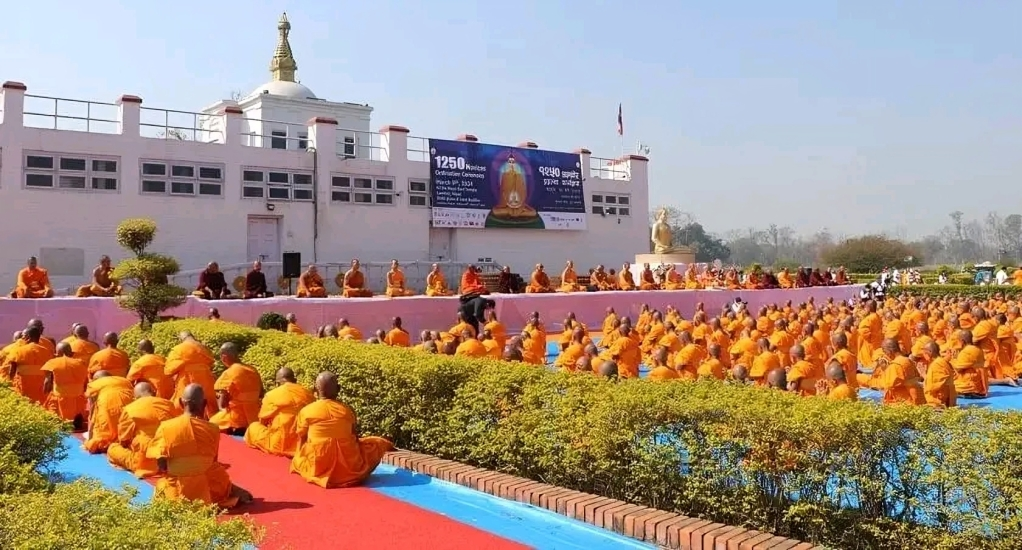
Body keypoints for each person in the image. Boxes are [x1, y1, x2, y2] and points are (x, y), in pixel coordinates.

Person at [147, 384, 252, 508]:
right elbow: (212, 461)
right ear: (204, 404)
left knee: (162, 485)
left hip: (178, 492)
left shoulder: (166, 427)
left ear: (181, 403)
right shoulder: (213, 429)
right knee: (216, 472)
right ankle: (230, 491)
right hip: (208, 491)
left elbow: (161, 464)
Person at [291, 371, 394, 488]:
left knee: (303, 456)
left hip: (317, 466)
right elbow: (354, 437)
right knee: (376, 443)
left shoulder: (307, 411)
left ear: (315, 389)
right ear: (338, 389)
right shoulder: (347, 411)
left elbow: (302, 438)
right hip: (349, 469)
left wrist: (298, 458)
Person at [107, 382, 177, 478]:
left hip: (146, 461)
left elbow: (124, 438)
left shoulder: (131, 408)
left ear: (135, 398)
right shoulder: (168, 404)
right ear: (154, 392)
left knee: (112, 449)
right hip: (170, 459)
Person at [244, 367, 315, 458]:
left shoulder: (272, 395)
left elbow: (263, 422)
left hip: (280, 443)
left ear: (277, 383)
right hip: (303, 443)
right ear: (295, 380)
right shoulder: (308, 394)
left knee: (253, 427)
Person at [209, 343, 264, 435]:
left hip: (237, 418)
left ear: (224, 357)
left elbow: (223, 404)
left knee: (211, 423)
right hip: (254, 416)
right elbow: (261, 393)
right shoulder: (253, 370)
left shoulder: (229, 373)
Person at [166, 332, 219, 418]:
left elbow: (168, 371)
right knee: (209, 407)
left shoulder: (178, 349)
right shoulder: (204, 348)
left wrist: (184, 363)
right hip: (206, 380)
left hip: (187, 380)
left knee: (183, 406)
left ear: (181, 339)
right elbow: (211, 363)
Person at [83, 371, 135, 454]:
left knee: (98, 442)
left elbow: (92, 411)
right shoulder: (125, 381)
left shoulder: (94, 385)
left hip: (108, 412)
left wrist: (90, 437)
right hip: (129, 411)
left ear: (96, 380)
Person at [41, 342, 89, 431]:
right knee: (78, 413)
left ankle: (60, 423)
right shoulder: (81, 363)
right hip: (78, 395)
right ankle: (77, 423)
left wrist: (45, 396)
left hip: (60, 395)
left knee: (54, 414)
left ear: (56, 354)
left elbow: (47, 382)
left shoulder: (52, 362)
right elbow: (86, 381)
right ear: (71, 353)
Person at [7, 326, 52, 404]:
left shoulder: (18, 351)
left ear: (28, 337)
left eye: (23, 336)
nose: (22, 339)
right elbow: (49, 374)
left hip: (23, 388)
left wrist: (8, 384)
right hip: (40, 390)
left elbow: (12, 370)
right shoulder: (46, 352)